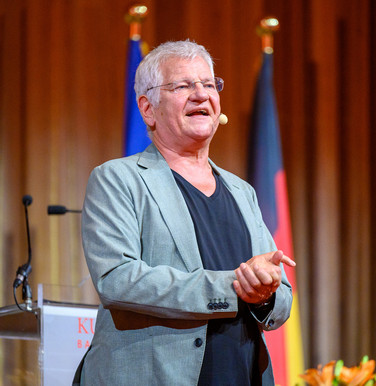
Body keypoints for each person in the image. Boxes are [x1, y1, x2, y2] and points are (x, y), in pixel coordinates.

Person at [75, 40, 295, 385]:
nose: (200, 94)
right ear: (148, 109)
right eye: (182, 86)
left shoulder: (242, 192)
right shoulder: (118, 179)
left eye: (209, 84)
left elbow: (280, 295)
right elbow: (117, 278)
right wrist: (234, 287)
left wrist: (265, 294)